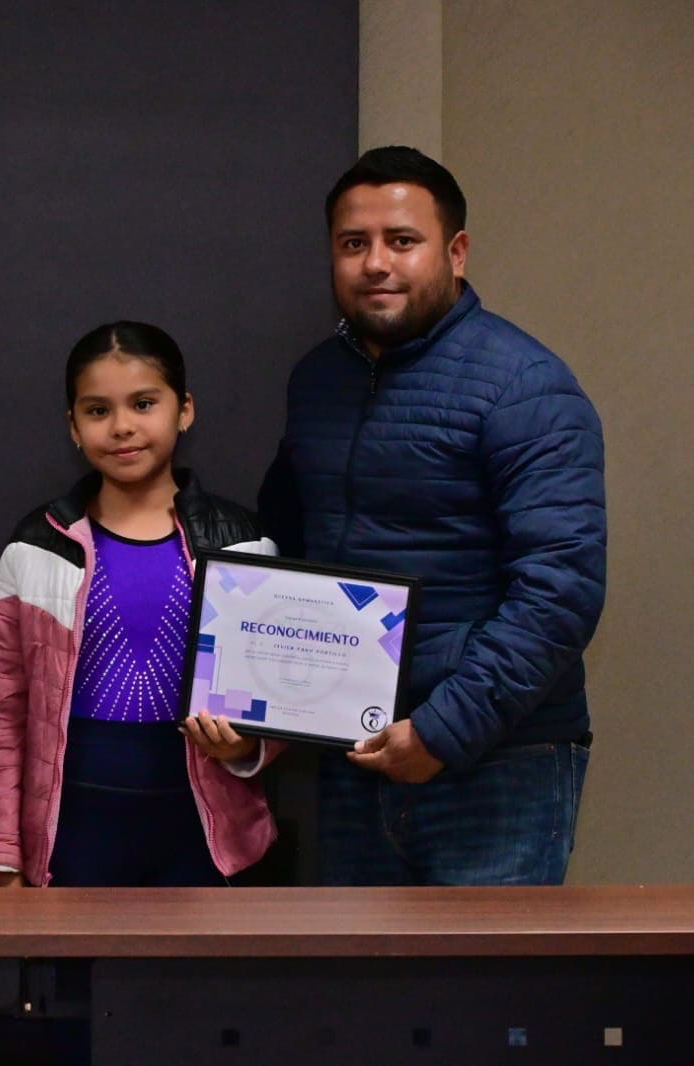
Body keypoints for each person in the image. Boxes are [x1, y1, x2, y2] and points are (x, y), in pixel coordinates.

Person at [259, 146, 606, 886]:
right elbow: (291, 553)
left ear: (454, 251)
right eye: (354, 244)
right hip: (355, 750)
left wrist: (445, 730)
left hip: (496, 761)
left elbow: (561, 588)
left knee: (491, 996)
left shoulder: (526, 386)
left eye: (401, 241)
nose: (375, 263)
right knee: (362, 997)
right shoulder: (316, 380)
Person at [0, 321, 281, 888]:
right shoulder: (34, 547)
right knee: (72, 977)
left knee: (191, 978)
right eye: (97, 411)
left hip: (204, 830)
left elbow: (280, 693)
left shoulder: (242, 544)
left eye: (143, 403)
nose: (122, 427)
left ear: (184, 409)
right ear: (73, 426)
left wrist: (250, 744)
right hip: (71, 830)